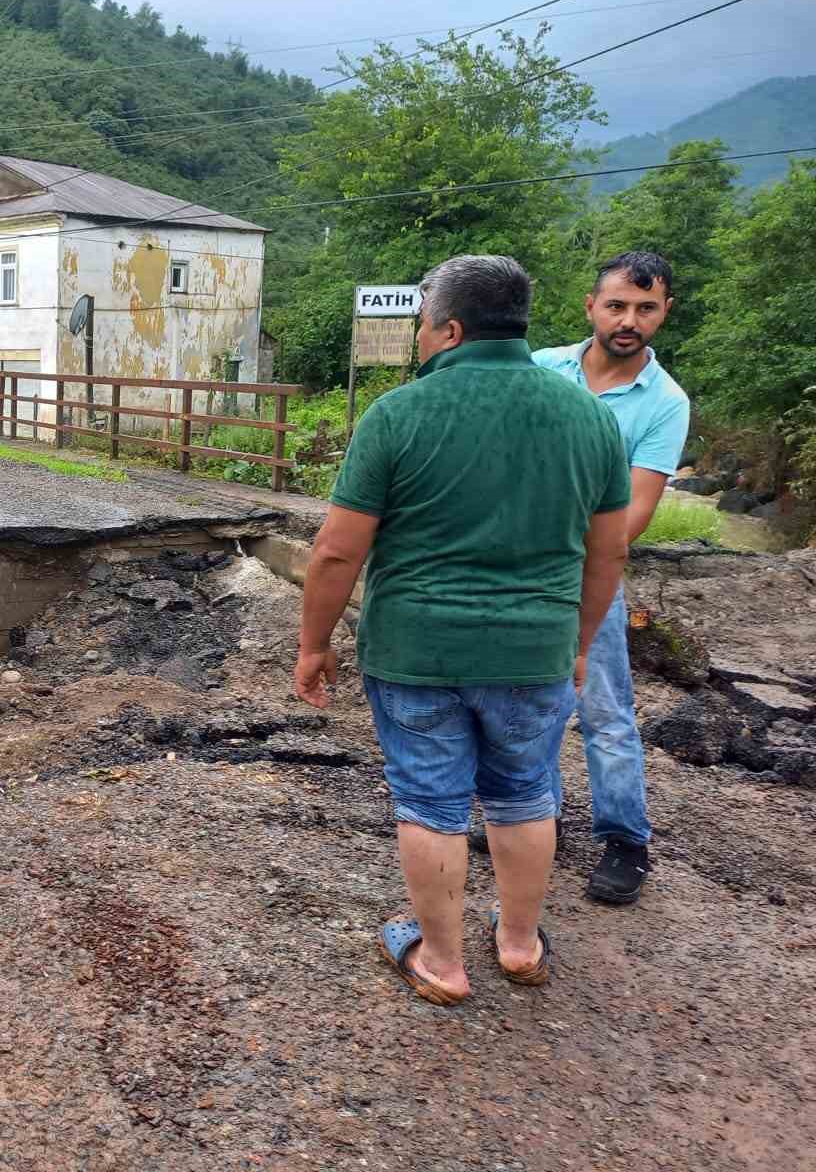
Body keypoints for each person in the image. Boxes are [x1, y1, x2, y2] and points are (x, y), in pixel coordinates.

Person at [293, 254, 631, 1006]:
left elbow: (339, 549)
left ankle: (442, 963)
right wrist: (576, 644)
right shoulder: (589, 417)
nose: (417, 339)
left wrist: (314, 645)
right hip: (534, 649)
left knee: (431, 802)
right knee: (523, 795)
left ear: (448, 329)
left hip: (418, 651)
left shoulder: (399, 415)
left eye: (421, 325)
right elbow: (608, 552)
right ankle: (518, 946)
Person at [513, 251, 690, 905]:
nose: (629, 320)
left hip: (591, 574)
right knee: (526, 704)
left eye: (645, 309)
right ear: (591, 306)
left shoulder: (664, 404)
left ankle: (625, 841)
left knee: (604, 711)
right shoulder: (539, 370)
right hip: (515, 568)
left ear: (663, 313)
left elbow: (634, 515)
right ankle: (534, 817)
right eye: (616, 305)